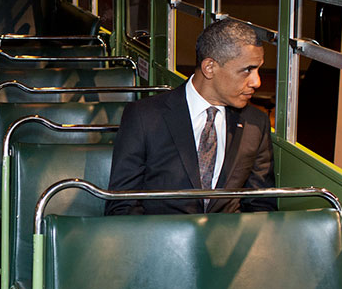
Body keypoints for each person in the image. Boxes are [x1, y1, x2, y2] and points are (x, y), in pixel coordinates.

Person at [106, 19, 276, 215]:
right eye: (247, 70)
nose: (257, 82)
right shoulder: (145, 117)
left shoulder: (256, 123)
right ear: (209, 67)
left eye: (258, 70)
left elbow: (261, 205)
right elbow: (122, 204)